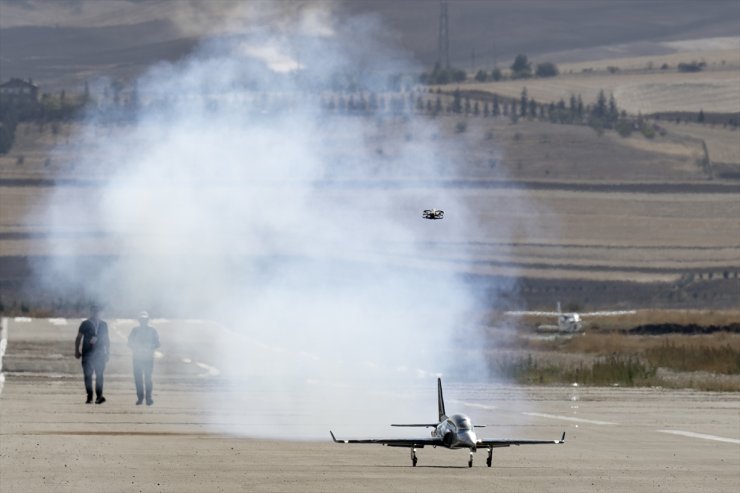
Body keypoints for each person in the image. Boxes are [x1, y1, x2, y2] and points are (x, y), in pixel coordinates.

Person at [74, 305, 110, 404]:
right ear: (91, 312)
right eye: (94, 312)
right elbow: (78, 338)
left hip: (100, 354)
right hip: (87, 354)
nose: (96, 314)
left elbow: (107, 339)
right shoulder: (85, 324)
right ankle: (89, 396)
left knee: (99, 376)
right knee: (88, 375)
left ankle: (99, 396)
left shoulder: (103, 324)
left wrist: (108, 352)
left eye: (97, 312)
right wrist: (77, 351)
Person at [127, 311, 160, 406]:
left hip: (148, 358)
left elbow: (158, 343)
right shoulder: (135, 330)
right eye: (142, 319)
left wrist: (150, 347)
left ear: (148, 320)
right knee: (138, 379)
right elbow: (129, 342)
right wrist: (137, 348)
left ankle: (148, 398)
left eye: (145, 319)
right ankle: (140, 398)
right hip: (137, 358)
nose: (143, 321)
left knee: (148, 378)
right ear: (139, 320)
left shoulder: (153, 330)